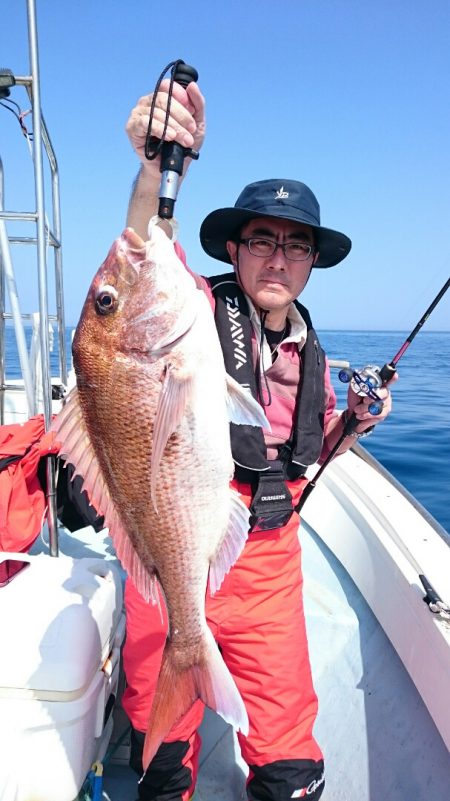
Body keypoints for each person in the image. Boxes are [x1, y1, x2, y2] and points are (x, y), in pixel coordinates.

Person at [122, 78, 394, 801]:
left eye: (296, 246)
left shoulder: (313, 353)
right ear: (235, 250)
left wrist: (352, 423)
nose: (279, 259)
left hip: (268, 560)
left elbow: (308, 454)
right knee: (158, 745)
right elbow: (144, 252)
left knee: (288, 758)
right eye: (263, 241)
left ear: (311, 263)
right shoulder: (188, 311)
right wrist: (156, 173)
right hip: (173, 540)